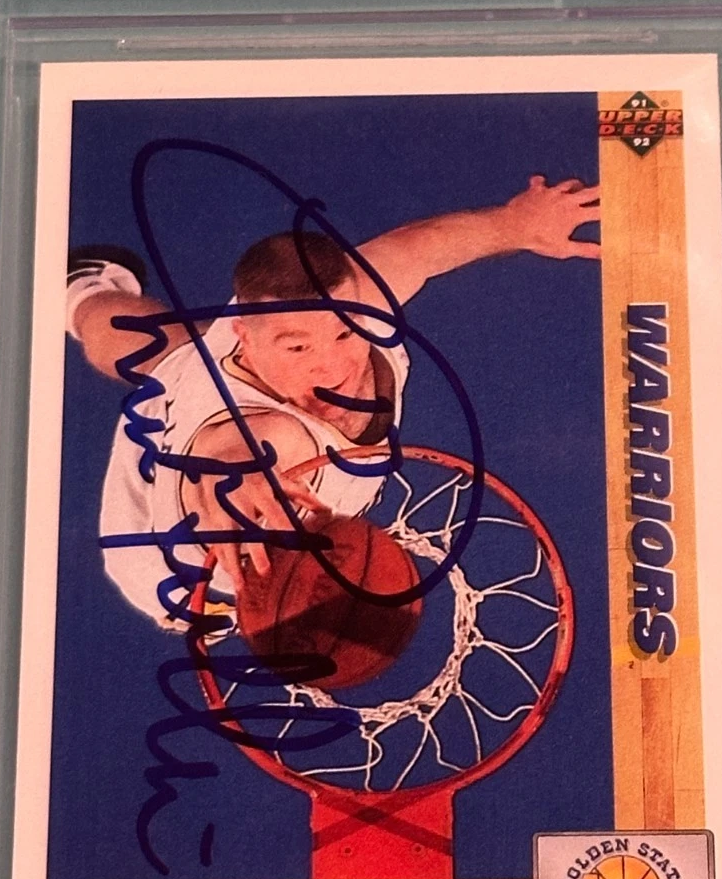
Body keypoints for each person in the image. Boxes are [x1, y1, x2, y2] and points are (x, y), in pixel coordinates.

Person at [66, 174, 598, 626]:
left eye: (343, 333)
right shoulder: (266, 431)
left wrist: (517, 223)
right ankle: (82, 294)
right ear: (245, 340)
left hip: (207, 379)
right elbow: (236, 453)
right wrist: (232, 480)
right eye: (298, 347)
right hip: (163, 557)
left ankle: (84, 292)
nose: (332, 366)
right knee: (162, 356)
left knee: (174, 350)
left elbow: (420, 246)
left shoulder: (353, 301)